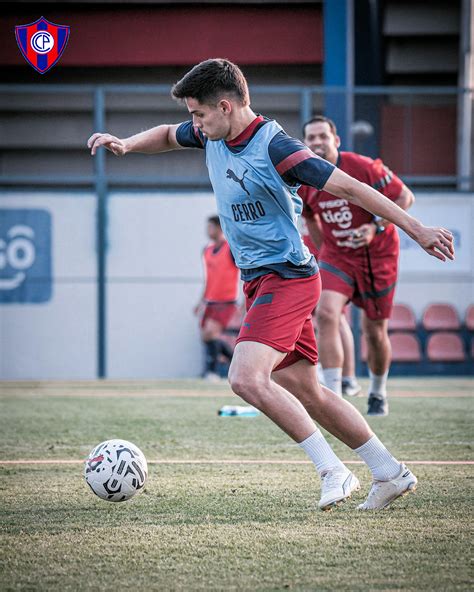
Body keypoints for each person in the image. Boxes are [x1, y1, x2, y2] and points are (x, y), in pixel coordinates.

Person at [88, 58, 454, 511]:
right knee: (308, 390)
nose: (193, 123)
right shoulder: (210, 133)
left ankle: (332, 470)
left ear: (225, 106)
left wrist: (415, 228)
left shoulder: (278, 148)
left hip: (289, 277)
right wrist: (125, 144)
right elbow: (165, 134)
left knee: (244, 377)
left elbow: (353, 189)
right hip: (261, 281)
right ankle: (388, 472)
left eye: (198, 113)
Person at [300, 115, 416, 416]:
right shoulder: (306, 176)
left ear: (335, 140)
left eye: (322, 136)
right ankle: (333, 396)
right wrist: (326, 248)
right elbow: (310, 215)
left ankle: (378, 391)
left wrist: (375, 227)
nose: (316, 142)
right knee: (325, 313)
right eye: (310, 138)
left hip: (377, 254)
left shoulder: (362, 166)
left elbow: (405, 197)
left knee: (374, 330)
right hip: (338, 256)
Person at [300, 215, 361, 397]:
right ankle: (324, 372)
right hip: (304, 253)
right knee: (315, 317)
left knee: (334, 316)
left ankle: (348, 378)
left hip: (320, 255)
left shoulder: (317, 189)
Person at [196, 215, 240, 381]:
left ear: (219, 228)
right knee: (205, 336)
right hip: (210, 301)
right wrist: (200, 301)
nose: (208, 231)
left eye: (210, 227)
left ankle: (212, 371)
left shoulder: (230, 249)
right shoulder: (206, 250)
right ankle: (236, 361)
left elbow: (242, 273)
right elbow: (208, 278)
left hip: (227, 301)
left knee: (210, 333)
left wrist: (244, 300)